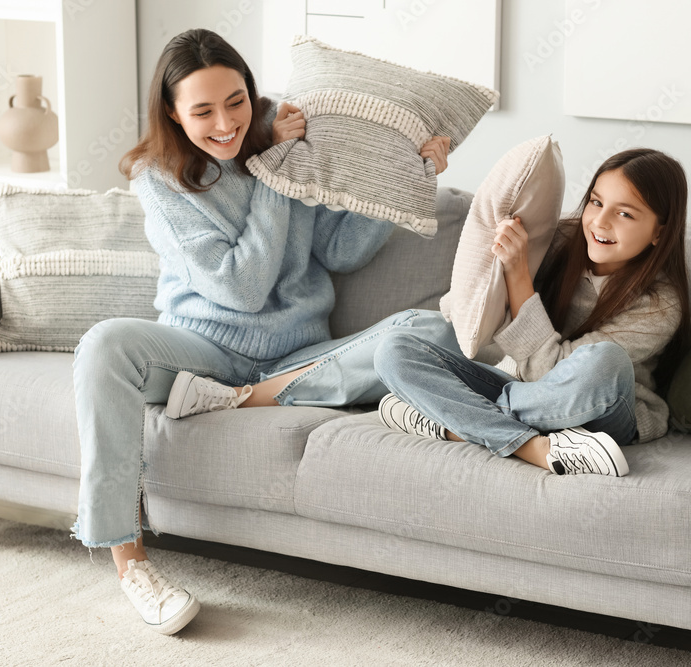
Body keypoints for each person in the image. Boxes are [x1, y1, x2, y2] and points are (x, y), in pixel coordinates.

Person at [71, 28, 457, 635]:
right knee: (103, 347)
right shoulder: (158, 180)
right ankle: (131, 565)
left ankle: (248, 401)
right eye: (202, 110)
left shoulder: (289, 140)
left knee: (427, 329)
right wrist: (275, 170)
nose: (225, 123)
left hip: (296, 355)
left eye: (237, 101)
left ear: (253, 94)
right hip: (202, 352)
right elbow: (240, 290)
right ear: (173, 114)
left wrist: (412, 175)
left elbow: (342, 250)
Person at [371, 148, 691, 477]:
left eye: (624, 214)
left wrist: (518, 274)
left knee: (605, 361)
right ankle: (531, 445)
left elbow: (549, 373)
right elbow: (460, 308)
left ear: (659, 233)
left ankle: (454, 420)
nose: (600, 221)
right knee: (394, 350)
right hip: (524, 389)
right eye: (596, 202)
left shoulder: (660, 304)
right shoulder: (559, 241)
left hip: (602, 408)